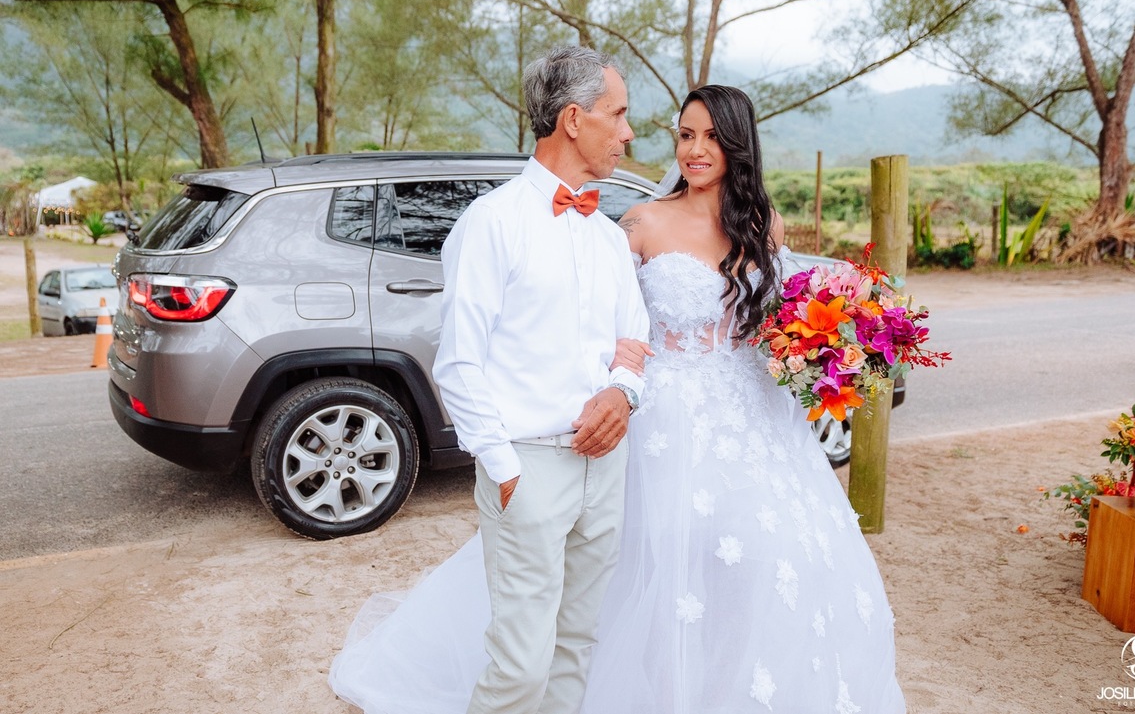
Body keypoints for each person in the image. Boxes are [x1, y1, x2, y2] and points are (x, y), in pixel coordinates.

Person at [329, 84, 905, 713]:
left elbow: (770, 320)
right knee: (645, 562)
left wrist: (823, 345)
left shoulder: (765, 222)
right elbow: (596, 317)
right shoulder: (640, 223)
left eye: (712, 137)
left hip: (751, 410)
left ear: (740, 144)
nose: (694, 149)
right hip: (664, 411)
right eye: (685, 135)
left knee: (756, 559)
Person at [329, 45, 650, 714]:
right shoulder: (492, 223)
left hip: (606, 467)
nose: (627, 132)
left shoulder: (608, 236)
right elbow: (459, 362)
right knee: (521, 665)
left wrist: (623, 392)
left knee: (576, 644)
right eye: (617, 114)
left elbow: (633, 339)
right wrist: (505, 470)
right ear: (572, 119)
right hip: (528, 467)